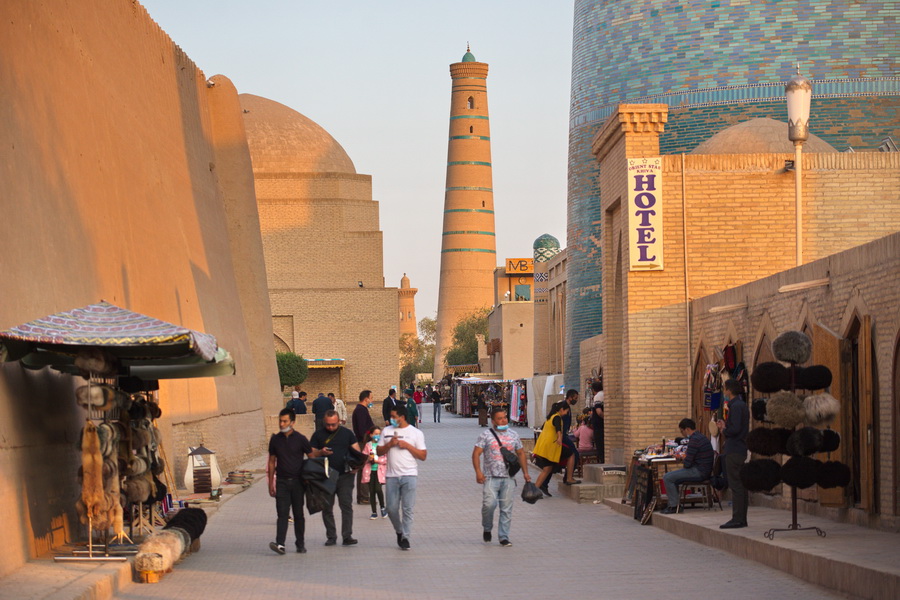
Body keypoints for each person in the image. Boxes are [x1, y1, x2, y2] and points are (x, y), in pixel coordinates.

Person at [267, 408, 331, 555]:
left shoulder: (300, 439)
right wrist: (271, 483)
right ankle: (280, 543)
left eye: (285, 421)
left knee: (298, 514)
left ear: (292, 422)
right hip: (282, 482)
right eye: (280, 421)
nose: (281, 424)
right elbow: (271, 462)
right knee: (282, 514)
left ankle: (300, 544)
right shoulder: (275, 440)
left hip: (298, 483)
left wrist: (313, 477)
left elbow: (311, 456)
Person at [472, 408, 531, 546]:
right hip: (490, 477)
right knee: (489, 505)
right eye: (500, 418)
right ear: (493, 421)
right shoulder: (485, 435)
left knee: (506, 508)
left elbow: (521, 453)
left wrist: (525, 473)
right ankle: (487, 527)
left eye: (505, 417)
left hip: (508, 478)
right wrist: (478, 472)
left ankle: (504, 536)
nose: (504, 420)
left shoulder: (514, 435)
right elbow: (476, 454)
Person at [377, 404, 427, 551]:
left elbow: (423, 456)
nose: (391, 419)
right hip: (392, 476)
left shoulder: (416, 433)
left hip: (410, 475)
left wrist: (407, 446)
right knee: (391, 508)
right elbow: (379, 451)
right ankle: (399, 530)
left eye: (393, 417)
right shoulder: (386, 431)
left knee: (407, 509)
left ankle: (406, 537)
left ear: (402, 417)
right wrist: (389, 445)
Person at [309, 410, 361, 546]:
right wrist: (321, 452)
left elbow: (357, 451)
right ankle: (331, 536)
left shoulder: (347, 434)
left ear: (339, 421)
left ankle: (347, 536)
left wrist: (357, 465)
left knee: (346, 506)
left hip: (345, 475)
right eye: (328, 425)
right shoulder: (318, 435)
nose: (330, 427)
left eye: (333, 424)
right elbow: (311, 454)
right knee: (327, 507)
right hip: (326, 476)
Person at [660, 418, 715, 514]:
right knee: (673, 478)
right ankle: (674, 504)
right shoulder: (700, 437)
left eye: (682, 431)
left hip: (699, 471)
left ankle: (674, 506)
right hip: (704, 469)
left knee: (667, 477)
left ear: (687, 429)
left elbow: (687, 464)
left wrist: (681, 459)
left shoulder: (694, 440)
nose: (682, 435)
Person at [716, 379, 749, 529]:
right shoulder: (740, 405)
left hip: (735, 449)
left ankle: (738, 518)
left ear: (729, 390)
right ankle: (741, 518)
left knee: (736, 485)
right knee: (740, 485)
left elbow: (735, 429)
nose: (724, 393)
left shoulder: (736, 406)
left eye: (724, 389)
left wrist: (724, 430)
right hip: (738, 448)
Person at [532, 402, 579, 496]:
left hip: (544, 446)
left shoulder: (549, 418)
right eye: (566, 411)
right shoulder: (557, 417)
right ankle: (569, 478)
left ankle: (534, 490)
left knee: (547, 468)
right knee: (571, 454)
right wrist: (559, 438)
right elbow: (558, 429)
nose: (566, 413)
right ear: (561, 409)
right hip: (552, 446)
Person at [352, 390, 376, 505]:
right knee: (364, 470)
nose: (372, 400)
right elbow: (362, 430)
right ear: (366, 399)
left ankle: (363, 496)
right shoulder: (360, 411)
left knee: (364, 469)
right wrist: (370, 437)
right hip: (363, 443)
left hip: (365, 442)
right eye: (371, 398)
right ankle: (364, 496)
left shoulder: (362, 410)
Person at [361, 426, 387, 519]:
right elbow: (363, 457)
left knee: (378, 489)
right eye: (376, 434)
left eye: (379, 434)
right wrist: (368, 458)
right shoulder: (368, 445)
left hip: (379, 471)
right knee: (371, 491)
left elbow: (386, 459)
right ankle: (374, 511)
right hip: (370, 471)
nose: (378, 436)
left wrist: (377, 460)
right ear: (371, 435)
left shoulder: (382, 445)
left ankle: (383, 507)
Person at [590, 396, 605, 463]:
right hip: (601, 428)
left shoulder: (598, 397)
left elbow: (599, 412)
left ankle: (603, 461)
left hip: (599, 428)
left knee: (601, 448)